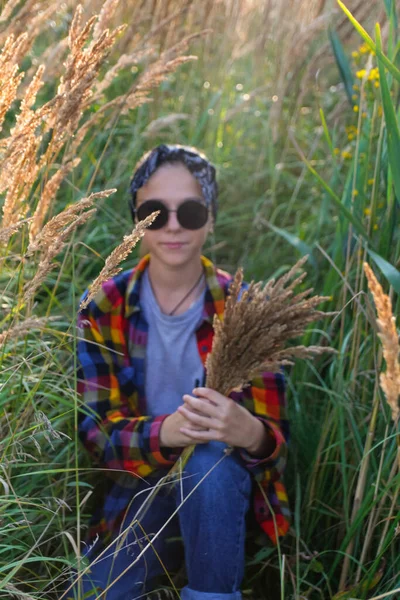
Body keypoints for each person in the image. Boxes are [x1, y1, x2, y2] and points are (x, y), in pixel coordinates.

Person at [67, 144, 290, 600]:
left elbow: (277, 446)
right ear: (136, 219)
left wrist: (250, 432)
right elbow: (96, 436)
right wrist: (169, 430)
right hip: (139, 491)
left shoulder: (247, 308)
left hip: (223, 498)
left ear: (209, 218)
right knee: (91, 594)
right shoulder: (104, 305)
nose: (172, 225)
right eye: (154, 212)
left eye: (189, 211)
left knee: (207, 461)